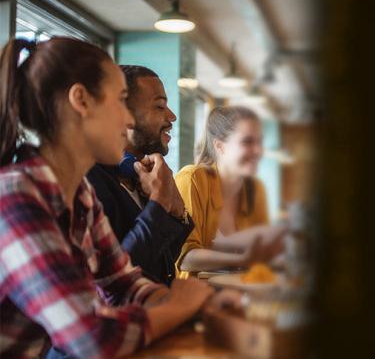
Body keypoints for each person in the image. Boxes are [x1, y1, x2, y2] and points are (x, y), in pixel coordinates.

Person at [0, 37, 228, 358]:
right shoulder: (17, 200)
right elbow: (91, 340)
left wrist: (194, 303)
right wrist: (178, 304)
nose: (129, 120)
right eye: (121, 100)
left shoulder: (79, 194)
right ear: (81, 100)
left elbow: (125, 282)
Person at [86, 65, 191, 286]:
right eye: (159, 106)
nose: (172, 116)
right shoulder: (91, 181)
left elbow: (164, 259)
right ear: (123, 114)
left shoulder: (144, 173)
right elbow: (118, 279)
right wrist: (159, 203)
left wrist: (178, 210)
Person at [175, 106, 287, 278]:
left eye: (259, 142)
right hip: (196, 298)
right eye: (247, 142)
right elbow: (185, 259)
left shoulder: (256, 189)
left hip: (245, 295)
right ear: (220, 147)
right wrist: (242, 259)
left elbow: (261, 255)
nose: (258, 151)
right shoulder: (192, 179)